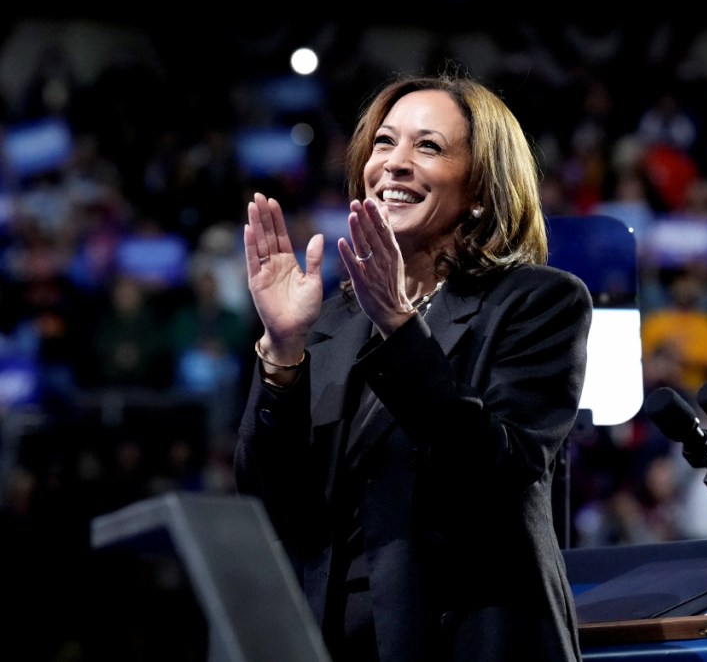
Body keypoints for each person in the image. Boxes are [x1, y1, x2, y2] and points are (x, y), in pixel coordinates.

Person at [233, 72, 593, 662]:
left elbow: (499, 471)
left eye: (428, 146)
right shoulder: (330, 321)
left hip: (466, 641)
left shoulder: (537, 303)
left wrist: (401, 329)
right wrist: (281, 350)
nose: (394, 163)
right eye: (384, 142)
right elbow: (271, 503)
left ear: (480, 186)